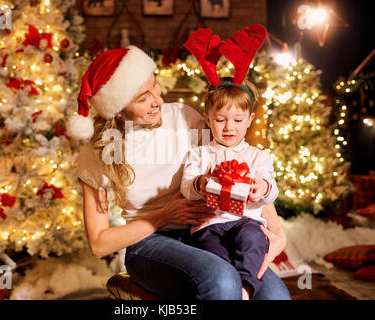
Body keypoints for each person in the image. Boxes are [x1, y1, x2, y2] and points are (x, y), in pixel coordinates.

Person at [68, 44, 291, 299]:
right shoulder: (99, 151)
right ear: (118, 108)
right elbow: (99, 243)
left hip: (210, 230)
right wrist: (161, 217)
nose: (158, 100)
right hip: (150, 244)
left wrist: (278, 234)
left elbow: (238, 168)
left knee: (274, 296)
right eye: (143, 98)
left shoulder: (184, 117)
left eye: (155, 85)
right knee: (221, 279)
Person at [181, 76, 278, 300]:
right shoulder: (200, 154)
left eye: (237, 120)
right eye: (220, 119)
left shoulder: (258, 157)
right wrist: (200, 183)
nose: (228, 127)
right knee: (217, 261)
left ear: (250, 119)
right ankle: (228, 289)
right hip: (209, 225)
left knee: (254, 239)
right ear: (207, 119)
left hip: (247, 222)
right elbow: (186, 187)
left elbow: (271, 191)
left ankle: (245, 290)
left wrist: (262, 187)